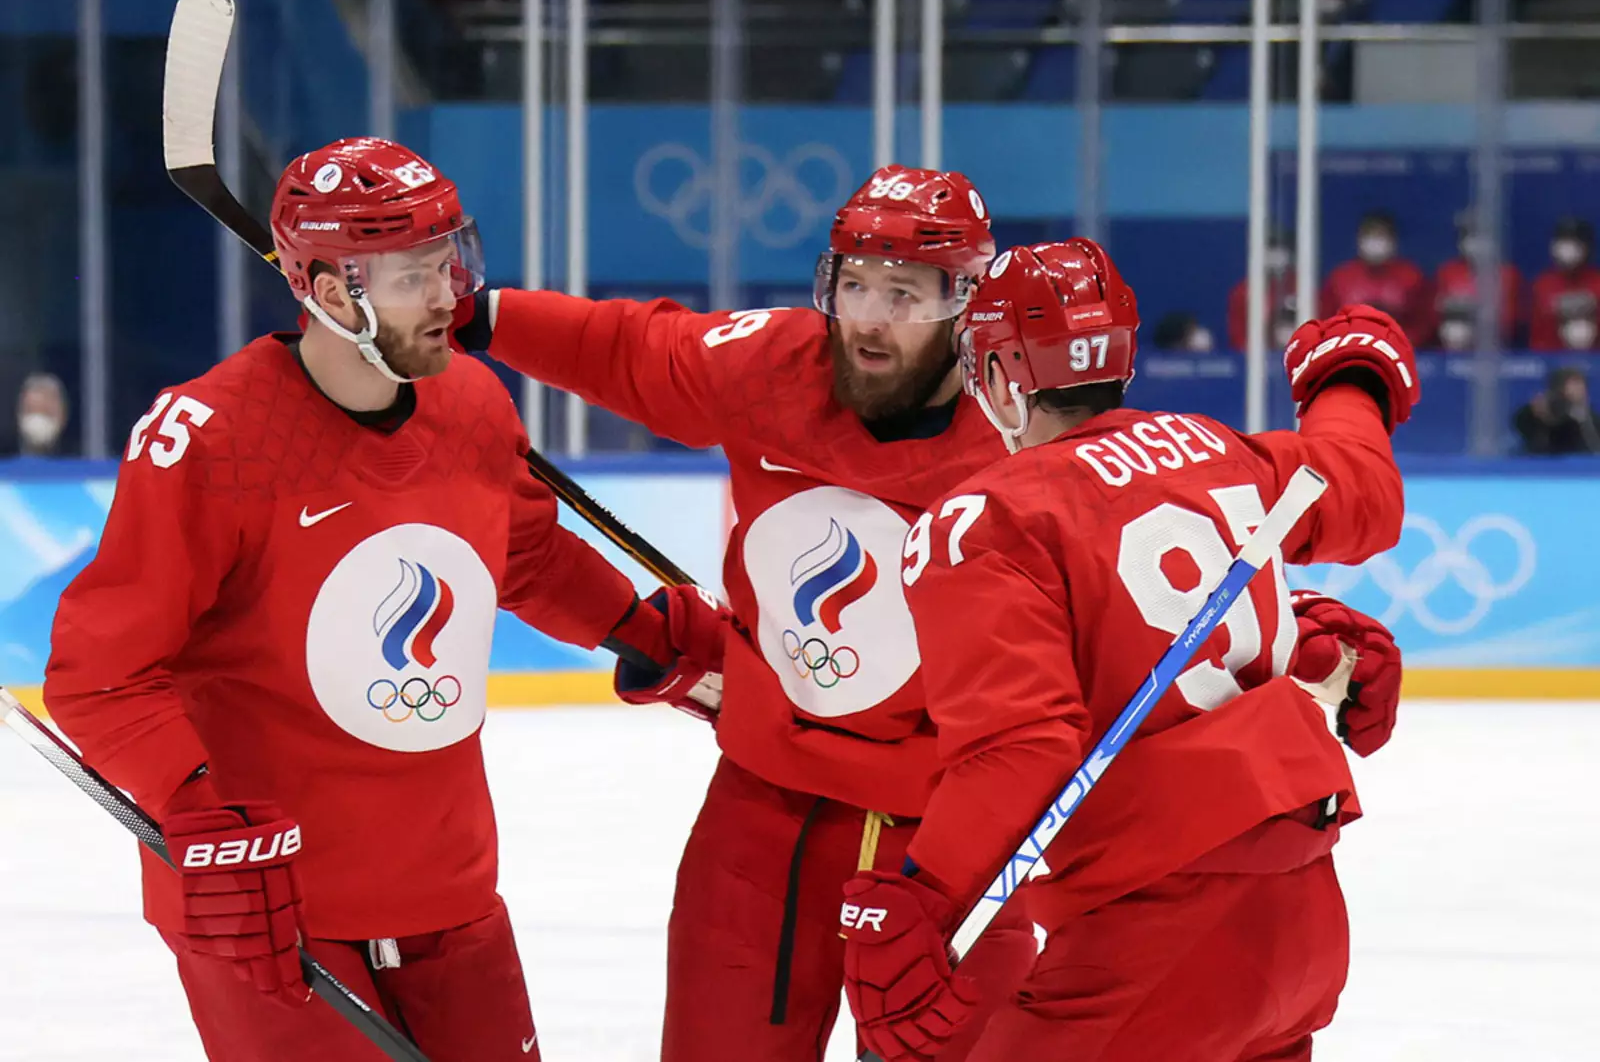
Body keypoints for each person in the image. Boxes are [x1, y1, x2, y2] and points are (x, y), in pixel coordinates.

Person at [455, 167, 1405, 1061]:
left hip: (953, 823)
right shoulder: (773, 364)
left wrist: (1306, 630)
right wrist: (471, 312)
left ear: (968, 312)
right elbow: (626, 347)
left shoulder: (1018, 461)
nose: (870, 317)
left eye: (905, 292)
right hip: (771, 797)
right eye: (854, 285)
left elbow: (1053, 687)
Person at [42, 137, 721, 1062]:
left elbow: (522, 553)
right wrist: (196, 808)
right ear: (329, 294)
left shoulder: (471, 403)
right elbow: (101, 672)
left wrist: (645, 633)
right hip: (271, 906)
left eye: (451, 261)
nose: (451, 296)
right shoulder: (211, 439)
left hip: (449, 886)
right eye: (415, 277)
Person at [837, 240, 1417, 1062]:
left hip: (1157, 935)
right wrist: (1349, 378)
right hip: (1303, 921)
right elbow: (1361, 487)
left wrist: (925, 897)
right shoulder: (1217, 451)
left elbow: (1019, 747)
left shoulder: (987, 519)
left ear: (999, 374)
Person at [1320, 210, 1429, 346]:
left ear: (1393, 241)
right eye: (1369, 235)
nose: (1375, 242)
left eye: (1381, 236)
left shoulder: (1412, 277)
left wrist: (1401, 342)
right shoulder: (1340, 278)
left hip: (1398, 348)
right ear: (1359, 240)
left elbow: (1424, 322)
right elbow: (1326, 320)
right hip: (1350, 348)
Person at [1432, 212, 1523, 349]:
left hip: (1495, 347)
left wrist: (1472, 309)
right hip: (1452, 344)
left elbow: (1512, 320)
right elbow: (1434, 314)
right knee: (1455, 330)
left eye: (1482, 238)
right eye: (1469, 237)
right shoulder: (1447, 271)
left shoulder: (1507, 274)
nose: (1475, 244)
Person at [1529, 217, 1600, 351]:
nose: (1568, 249)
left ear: (1587, 247)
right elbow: (1537, 335)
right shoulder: (1543, 284)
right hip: (1549, 358)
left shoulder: (1598, 282)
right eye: (1563, 242)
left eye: (1575, 243)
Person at [1227, 226, 1297, 351]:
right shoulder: (1243, 293)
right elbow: (1238, 340)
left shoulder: (1300, 287)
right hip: (1259, 356)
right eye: (1271, 248)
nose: (1276, 255)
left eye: (1281, 248)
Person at [1514, 366, 1600, 454]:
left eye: (1580, 385)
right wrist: (1537, 413)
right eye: (1572, 385)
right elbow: (1521, 425)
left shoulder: (1591, 419)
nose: (1578, 390)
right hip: (1543, 458)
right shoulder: (1538, 415)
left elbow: (1591, 447)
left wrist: (1581, 419)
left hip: (1580, 458)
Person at [11, 371, 72, 457]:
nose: (39, 420)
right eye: (32, 410)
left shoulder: (79, 460)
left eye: (47, 412)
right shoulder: (4, 460)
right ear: (19, 414)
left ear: (63, 416)